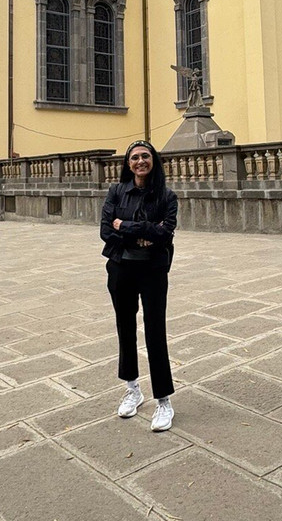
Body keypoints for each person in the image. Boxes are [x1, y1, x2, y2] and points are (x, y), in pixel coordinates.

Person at [100, 140, 178, 431]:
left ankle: (163, 400)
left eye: (145, 156)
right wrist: (143, 232)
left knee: (156, 330)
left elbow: (164, 233)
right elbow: (105, 230)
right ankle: (133, 388)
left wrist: (128, 227)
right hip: (121, 268)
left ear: (153, 160)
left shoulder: (167, 197)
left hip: (153, 270)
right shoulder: (117, 191)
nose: (140, 161)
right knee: (125, 327)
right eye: (134, 157)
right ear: (128, 163)